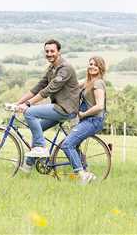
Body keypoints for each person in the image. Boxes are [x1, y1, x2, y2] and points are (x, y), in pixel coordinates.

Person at [16, 39, 80, 172]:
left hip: (65, 109)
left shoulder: (65, 68)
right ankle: (28, 166)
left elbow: (48, 90)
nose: (49, 53)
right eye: (47, 51)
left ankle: (41, 148)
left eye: (52, 51)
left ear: (59, 52)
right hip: (58, 107)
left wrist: (28, 105)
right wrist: (18, 103)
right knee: (37, 128)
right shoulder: (52, 68)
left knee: (30, 113)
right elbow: (38, 87)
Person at [60, 56, 107, 184]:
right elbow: (73, 86)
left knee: (67, 144)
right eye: (90, 64)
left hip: (93, 120)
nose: (92, 66)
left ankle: (82, 175)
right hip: (87, 120)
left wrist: (83, 114)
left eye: (95, 65)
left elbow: (100, 106)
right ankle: (86, 172)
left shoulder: (98, 83)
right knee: (73, 145)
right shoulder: (88, 82)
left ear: (100, 68)